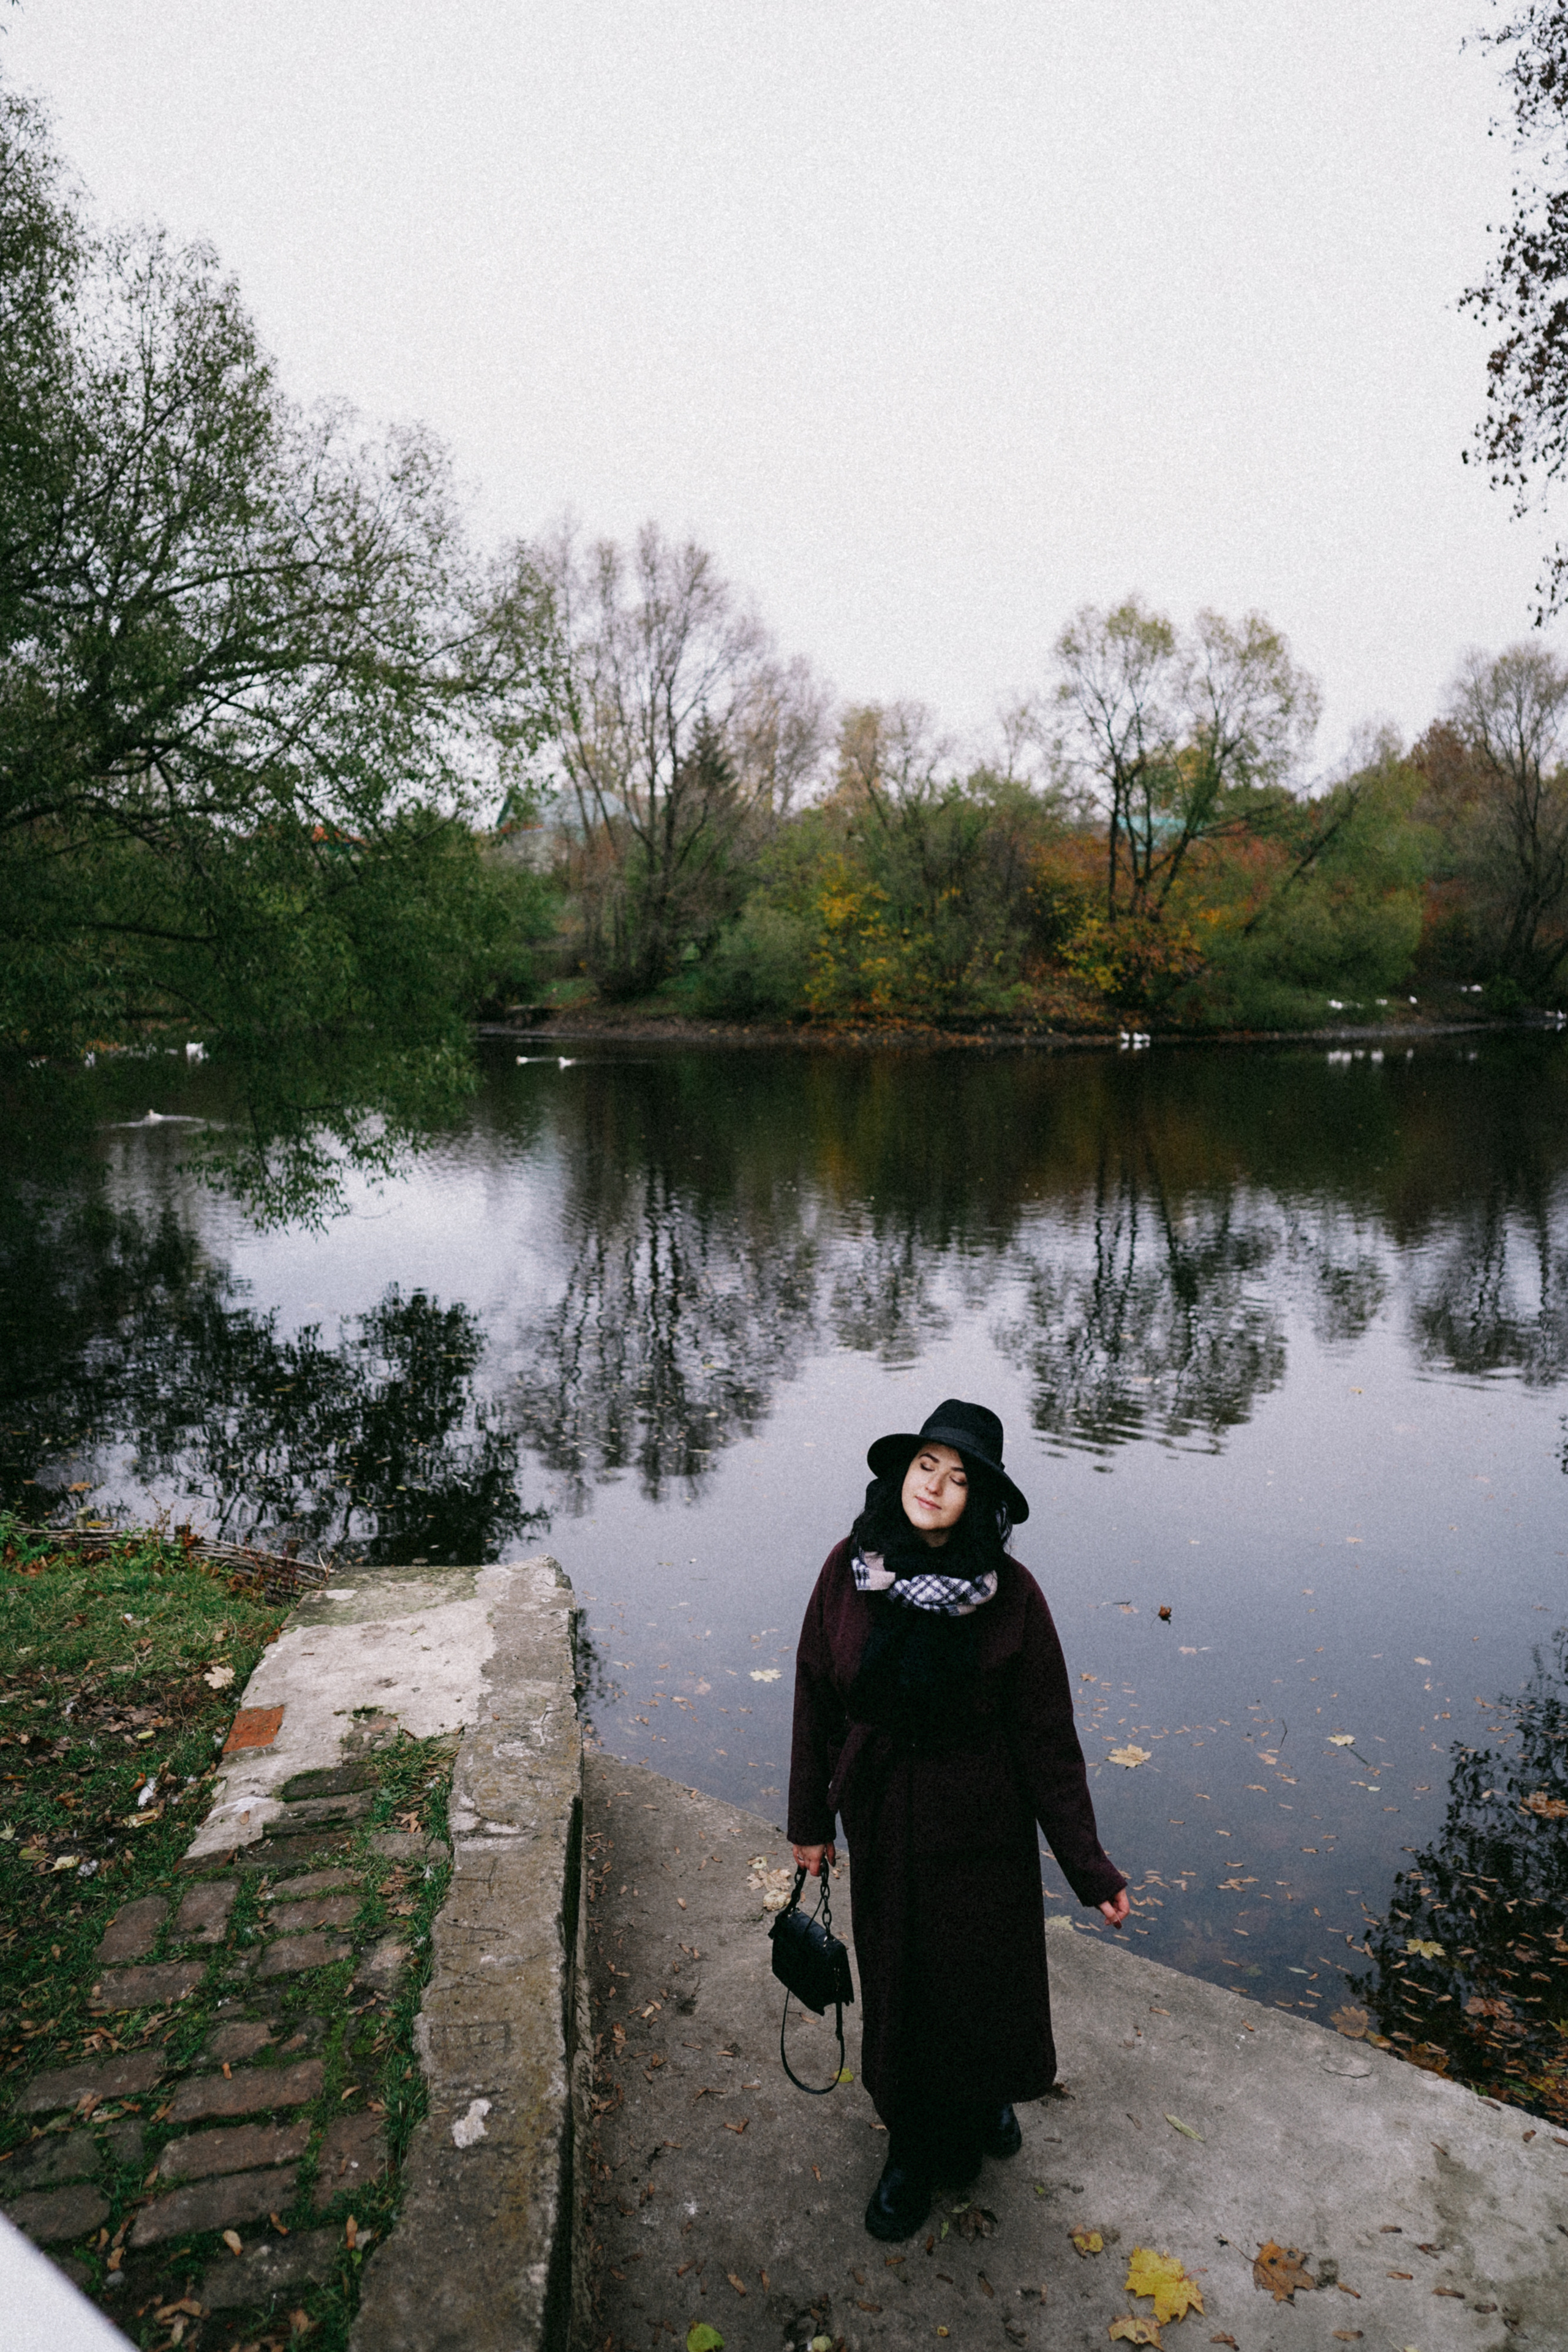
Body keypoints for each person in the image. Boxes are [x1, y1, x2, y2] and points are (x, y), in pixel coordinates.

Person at [786, 1398, 1129, 2242]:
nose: (937, 1485)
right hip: (886, 1816)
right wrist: (810, 1822)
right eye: (926, 1465)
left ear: (981, 1501)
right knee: (904, 1983)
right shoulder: (849, 1568)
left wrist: (1090, 1868)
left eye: (960, 1476)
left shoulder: (1011, 1597)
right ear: (902, 1472)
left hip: (983, 1823)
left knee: (982, 1978)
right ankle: (910, 2149)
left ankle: (982, 2103)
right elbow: (816, 1698)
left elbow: (1048, 1739)